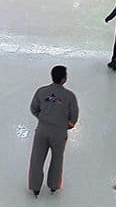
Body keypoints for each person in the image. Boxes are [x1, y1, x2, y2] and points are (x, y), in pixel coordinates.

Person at [28, 65, 79, 197]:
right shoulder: (69, 96)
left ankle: (35, 186)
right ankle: (54, 185)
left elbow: (34, 108)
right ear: (64, 79)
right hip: (59, 133)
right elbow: (73, 118)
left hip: (42, 130)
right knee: (57, 159)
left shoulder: (41, 91)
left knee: (37, 159)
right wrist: (65, 125)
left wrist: (43, 118)